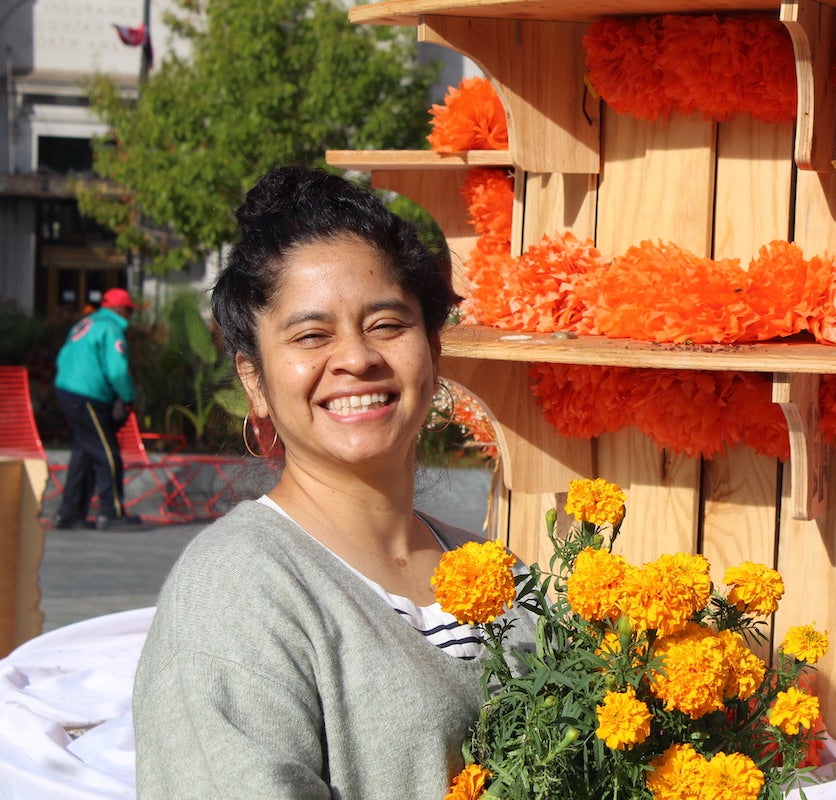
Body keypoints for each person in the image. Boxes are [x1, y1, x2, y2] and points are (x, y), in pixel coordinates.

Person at [132, 166, 534, 799]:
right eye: (312, 335)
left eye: (387, 325)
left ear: (433, 351)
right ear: (255, 382)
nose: (356, 357)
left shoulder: (500, 574)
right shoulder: (238, 589)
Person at [52, 287, 141, 530]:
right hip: (88, 396)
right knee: (107, 453)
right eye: (129, 311)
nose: (129, 317)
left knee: (84, 452)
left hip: (68, 391)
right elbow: (117, 370)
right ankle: (111, 513)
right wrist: (128, 398)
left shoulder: (86, 323)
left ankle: (70, 514)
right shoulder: (111, 328)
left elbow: (63, 356)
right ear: (121, 309)